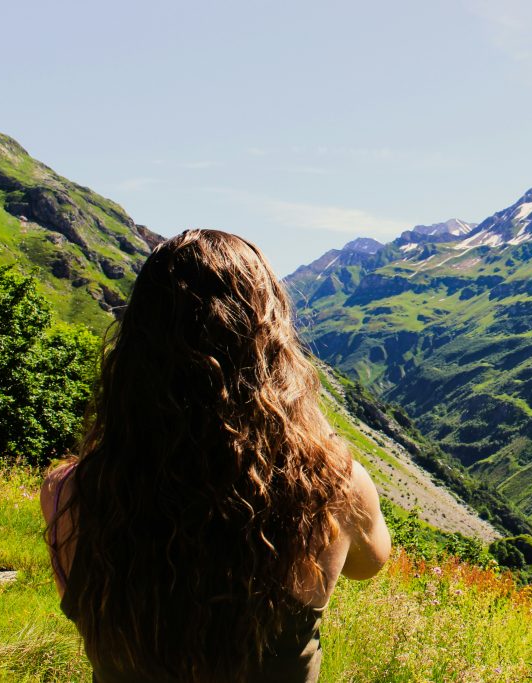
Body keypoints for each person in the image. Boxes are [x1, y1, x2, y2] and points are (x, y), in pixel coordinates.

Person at [40, 229, 391, 682]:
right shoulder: (333, 489)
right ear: (274, 350)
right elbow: (370, 563)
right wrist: (303, 418)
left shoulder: (69, 493)